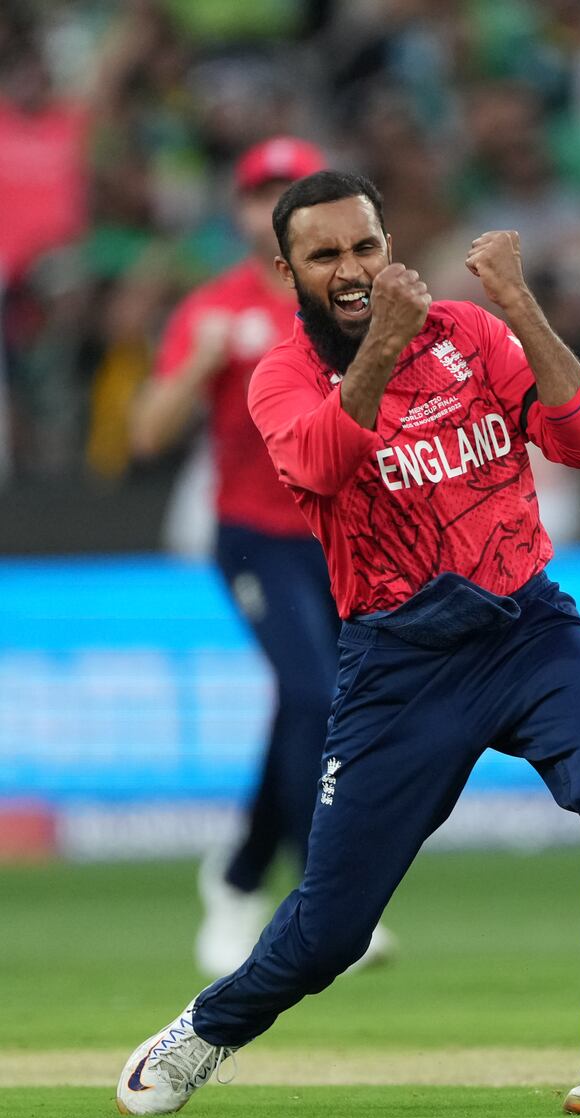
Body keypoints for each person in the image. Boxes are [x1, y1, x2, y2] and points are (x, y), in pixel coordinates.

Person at [118, 170, 580, 1117]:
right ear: (287, 269)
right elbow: (323, 463)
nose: (351, 269)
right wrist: (381, 341)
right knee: (330, 930)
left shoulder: (471, 333)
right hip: (397, 660)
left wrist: (516, 301)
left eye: (364, 247)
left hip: (524, 625)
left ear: (389, 245)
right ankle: (208, 1030)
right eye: (325, 254)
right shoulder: (281, 376)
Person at [130, 144, 394, 977]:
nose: (270, 203)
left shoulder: (356, 303)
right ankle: (322, 898)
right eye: (258, 194)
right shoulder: (213, 309)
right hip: (257, 535)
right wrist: (204, 361)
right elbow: (147, 434)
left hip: (346, 534)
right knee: (315, 692)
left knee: (316, 701)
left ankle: (240, 877)